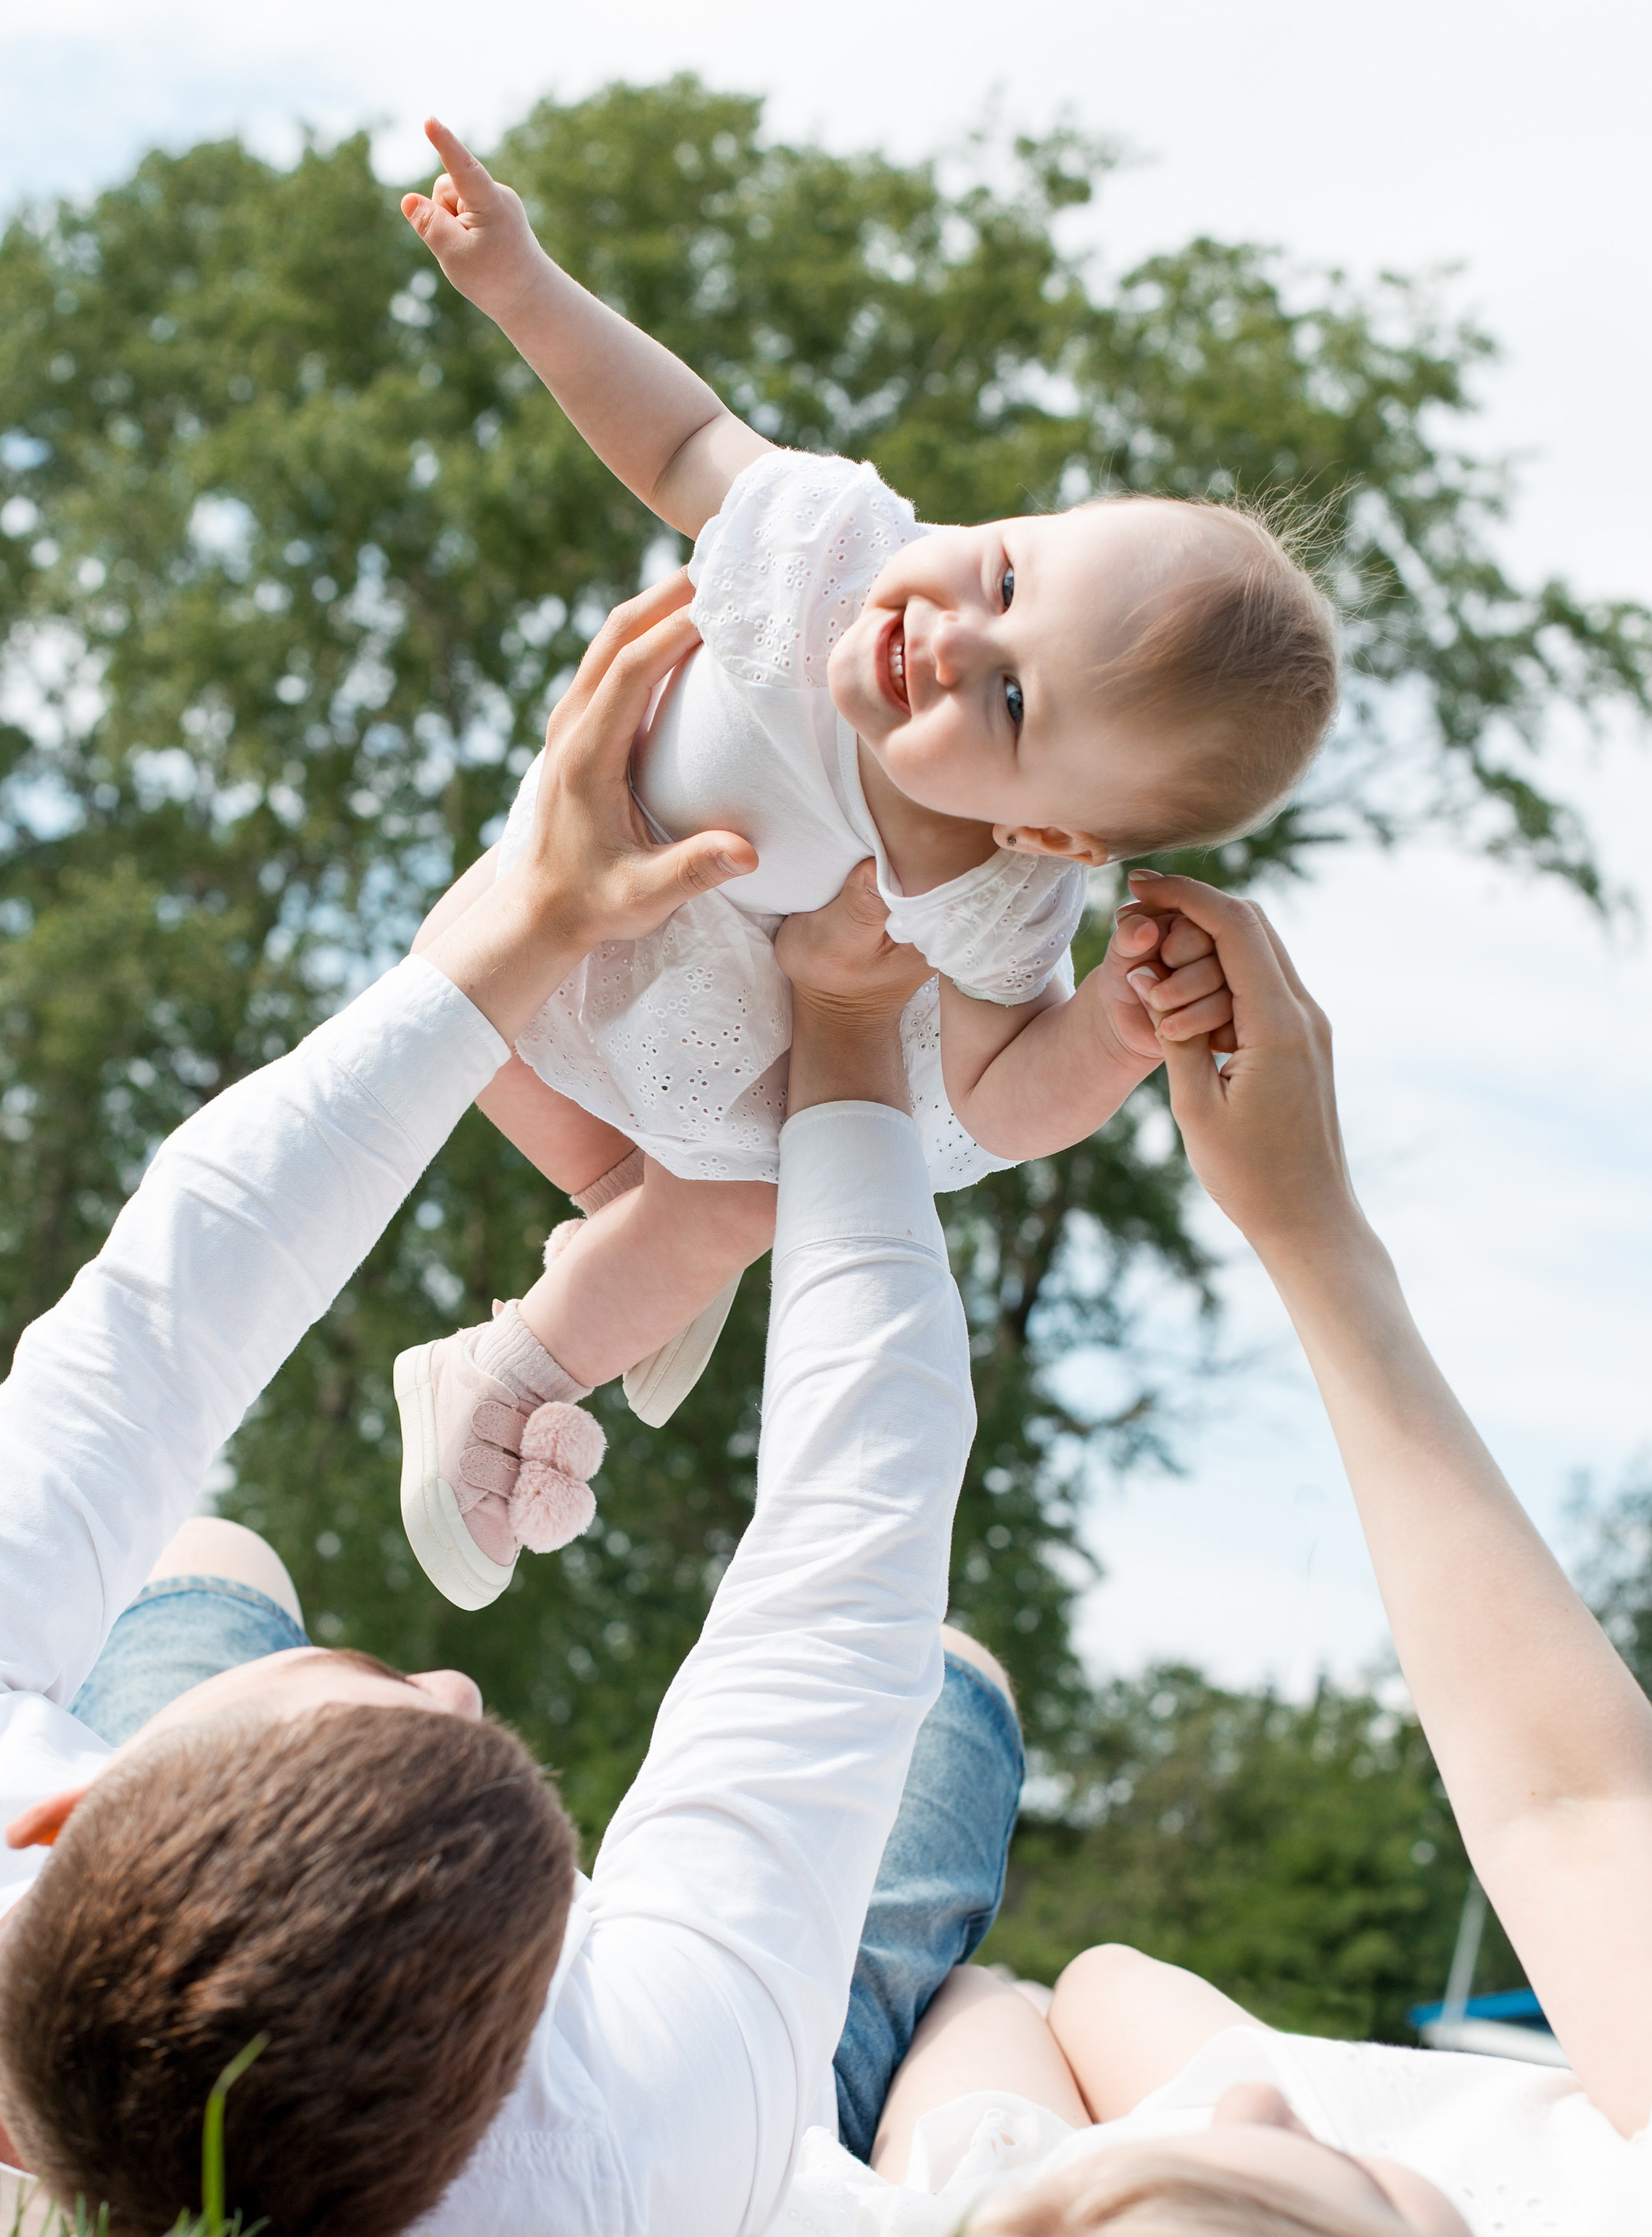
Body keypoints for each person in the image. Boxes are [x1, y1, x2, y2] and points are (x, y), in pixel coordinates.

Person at [247, 872, 1652, 2237]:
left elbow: (1570, 1822)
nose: (1253, 2109)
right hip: (843, 2107)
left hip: (669, 2066)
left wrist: (1305, 1232)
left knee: (241, 1609)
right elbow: (1564, 1826)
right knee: (939, 1721)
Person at [0, 574, 1017, 2237]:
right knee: (943, 1697)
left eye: (400, 1706)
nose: (460, 1691)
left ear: (65, 1808)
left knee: (202, 1559)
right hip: (723, 2089)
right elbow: (854, 1570)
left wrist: (518, 923)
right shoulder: (642, 2130)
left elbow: (146, 1328)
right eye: (503, 1780)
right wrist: (843, 1055)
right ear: (527, 2040)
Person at [387, 118, 1311, 1609]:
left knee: (732, 1202)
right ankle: (626, 1254)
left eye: (1006, 700)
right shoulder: (829, 547)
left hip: (717, 1072)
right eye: (1003, 575)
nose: (951, 635)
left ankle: (503, 1370)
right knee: (463, 1009)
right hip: (566, 932)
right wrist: (521, 285)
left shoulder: (1002, 897)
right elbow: (683, 439)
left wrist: (1115, 1030)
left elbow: (996, 1098)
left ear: (1051, 833)